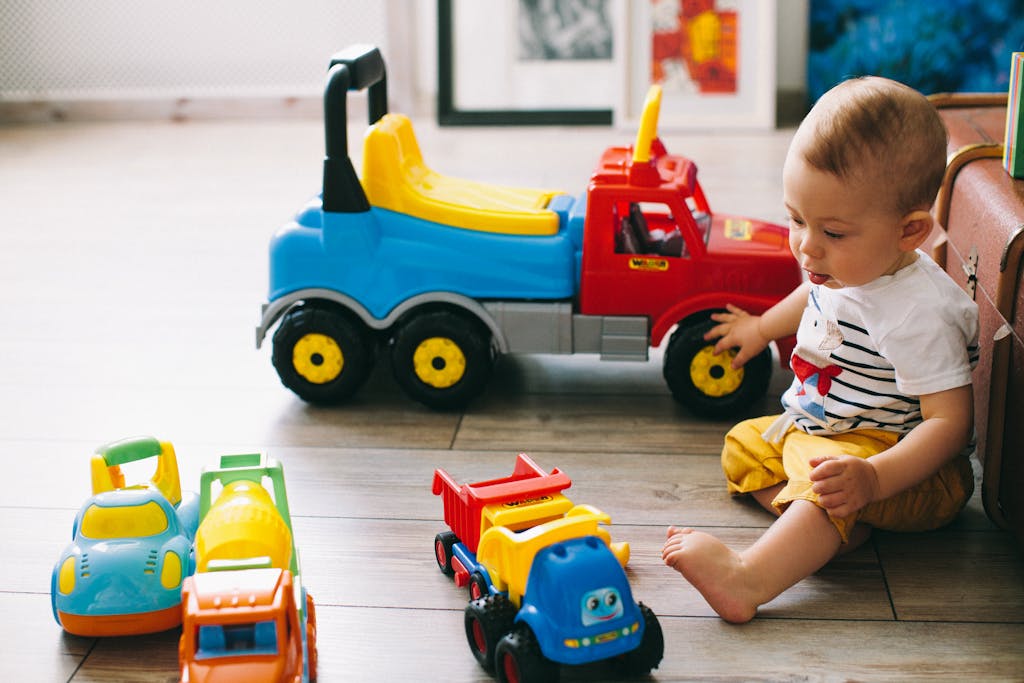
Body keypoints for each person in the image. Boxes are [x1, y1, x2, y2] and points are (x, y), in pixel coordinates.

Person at [661, 76, 979, 624]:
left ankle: (750, 578)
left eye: (832, 230)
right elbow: (809, 292)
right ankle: (832, 528)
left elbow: (951, 427)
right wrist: (761, 329)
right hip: (823, 435)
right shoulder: (847, 265)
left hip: (906, 468)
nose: (807, 245)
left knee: (827, 483)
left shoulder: (916, 313)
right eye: (796, 219)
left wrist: (874, 478)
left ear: (911, 232)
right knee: (742, 447)